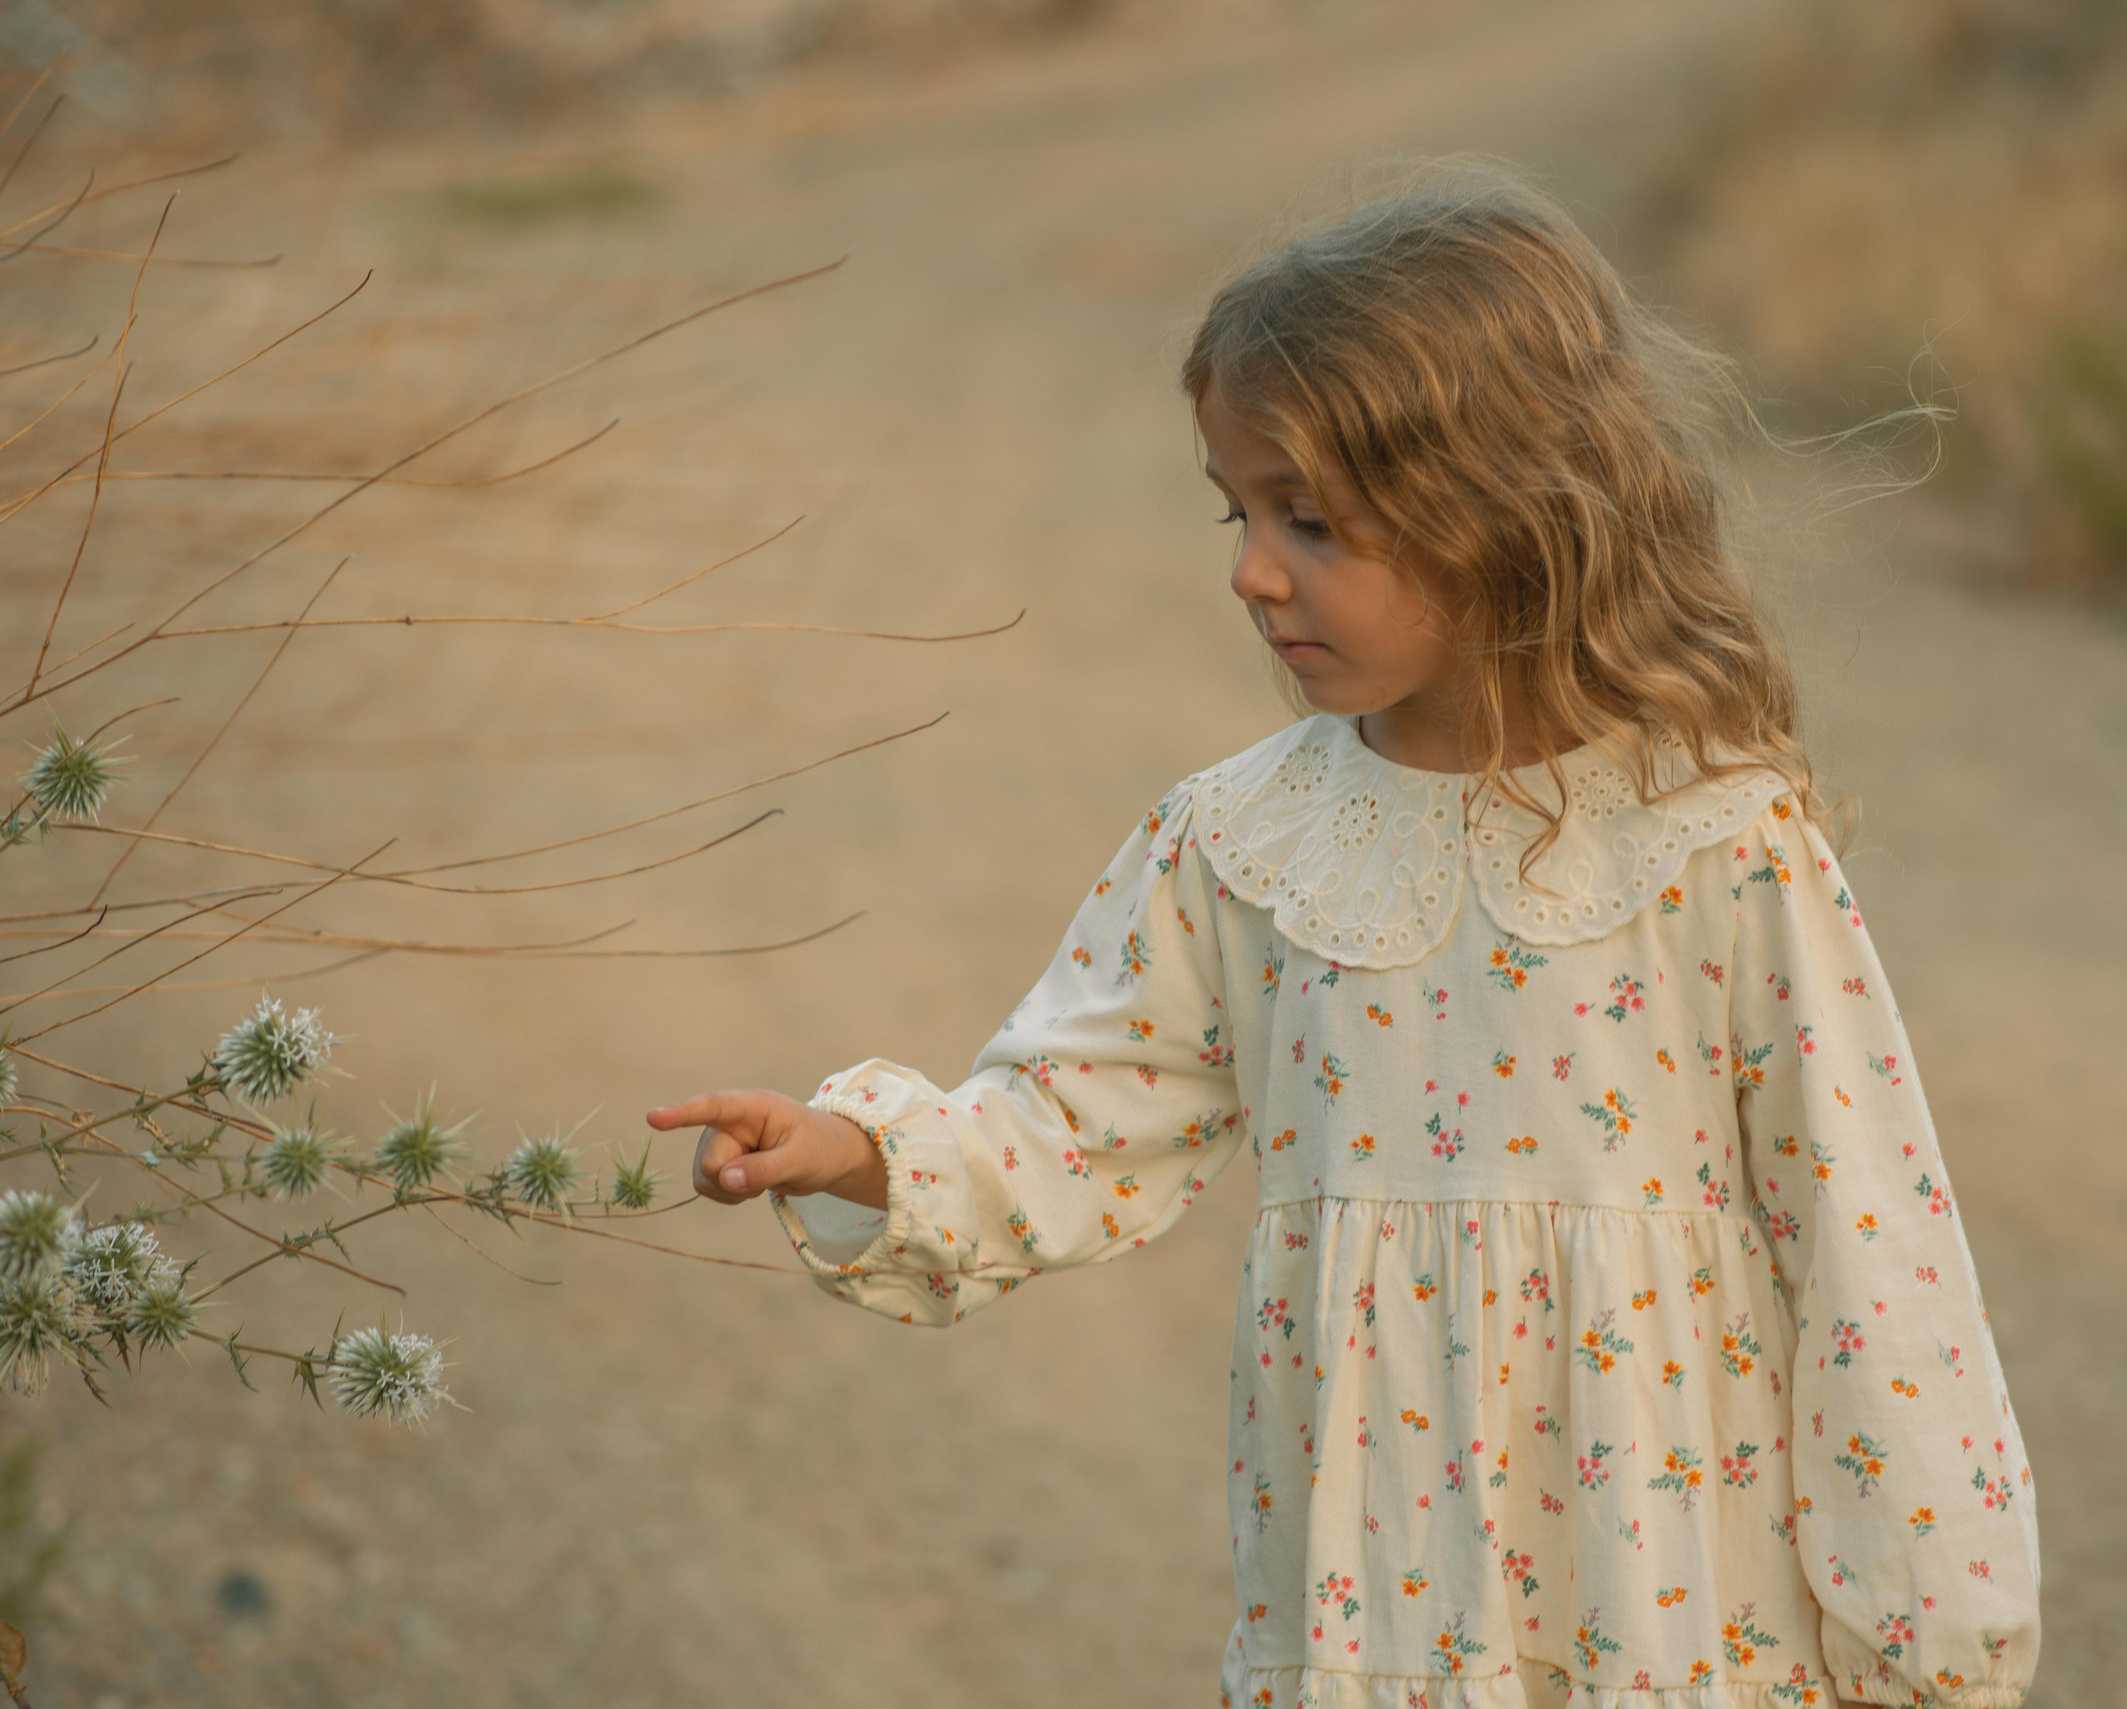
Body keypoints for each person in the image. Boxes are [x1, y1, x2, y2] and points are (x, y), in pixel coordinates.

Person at [649, 165, 2039, 1709]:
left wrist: (1922, 1628)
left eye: (1311, 521)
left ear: (1506, 513)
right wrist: (856, 1149)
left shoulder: (1709, 839)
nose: (1251, 568)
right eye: (1239, 511)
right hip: (1378, 1591)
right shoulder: (1244, 841)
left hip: (1674, 1604)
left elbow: (1868, 1238)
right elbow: (1072, 1115)